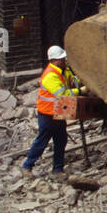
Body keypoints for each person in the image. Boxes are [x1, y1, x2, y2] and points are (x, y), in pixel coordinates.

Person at [21, 45, 83, 178]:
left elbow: (73, 81)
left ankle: (58, 169)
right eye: (62, 58)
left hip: (58, 111)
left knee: (61, 140)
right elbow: (63, 94)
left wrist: (80, 82)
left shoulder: (63, 70)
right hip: (47, 114)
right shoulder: (50, 76)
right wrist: (81, 91)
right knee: (42, 140)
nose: (64, 60)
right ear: (55, 60)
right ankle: (27, 166)